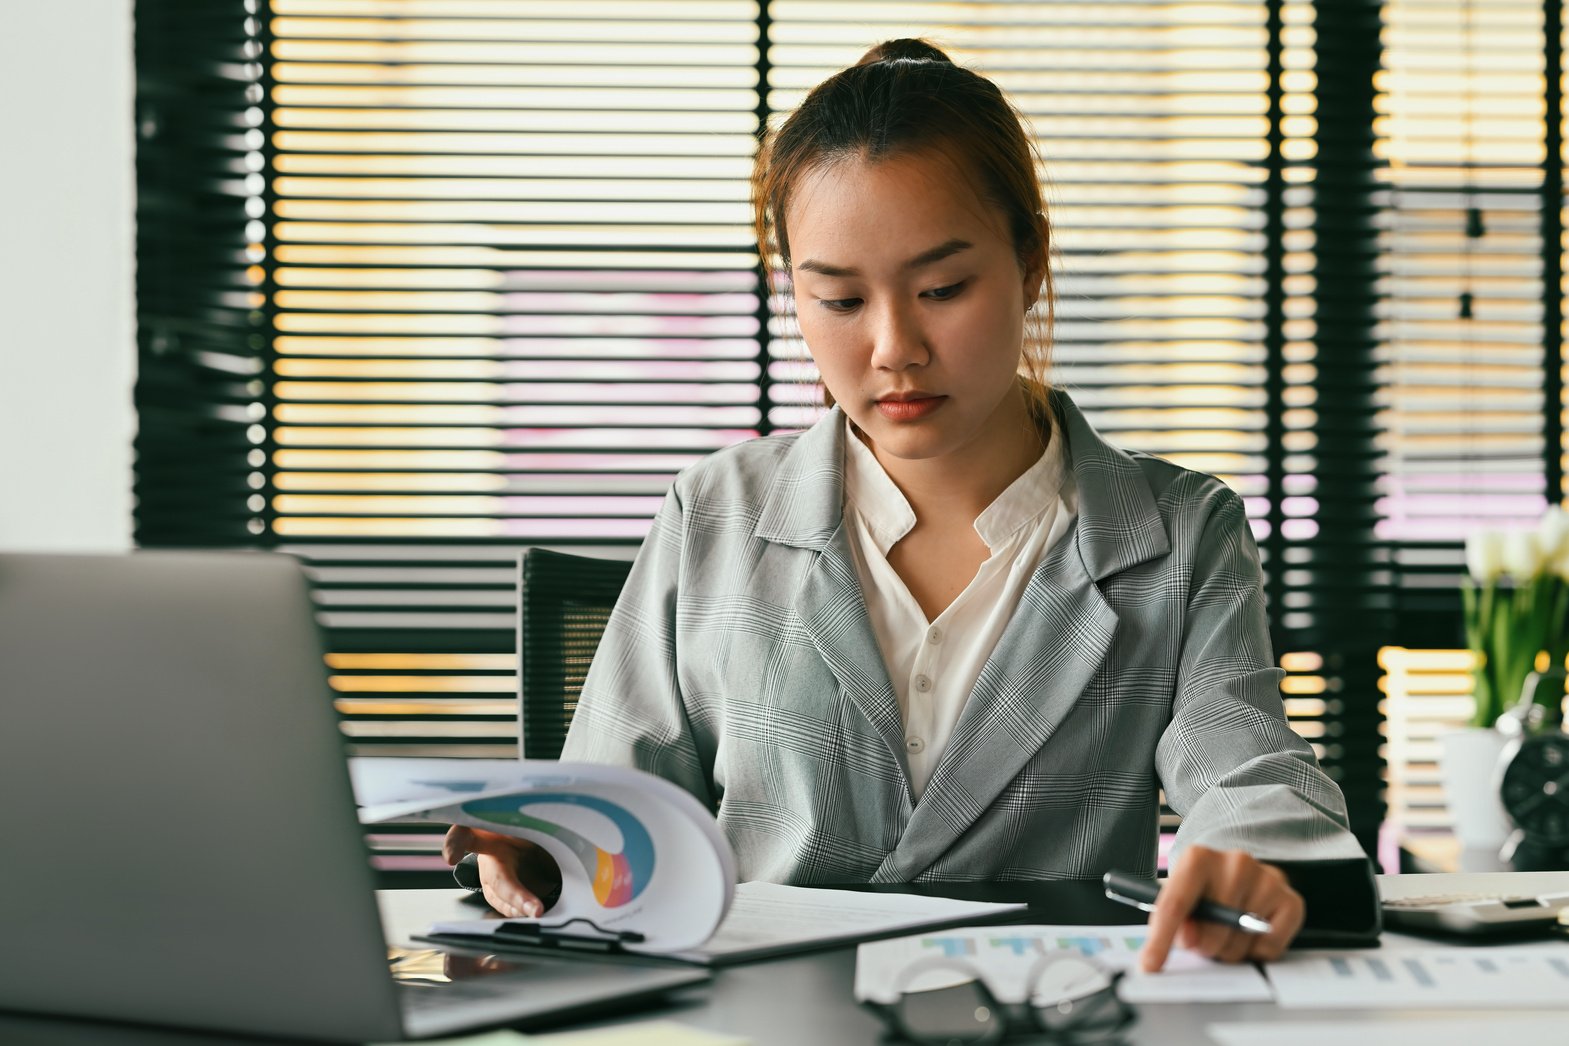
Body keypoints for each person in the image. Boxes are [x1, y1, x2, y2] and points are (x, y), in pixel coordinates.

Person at [445, 38, 1365, 972]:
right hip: (765, 1020)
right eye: (838, 299)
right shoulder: (714, 512)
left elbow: (1245, 766)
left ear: (1030, 260)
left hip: (1043, 1012)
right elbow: (607, 809)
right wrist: (537, 849)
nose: (894, 347)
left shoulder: (1173, 530)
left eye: (941, 289)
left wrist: (1254, 859)